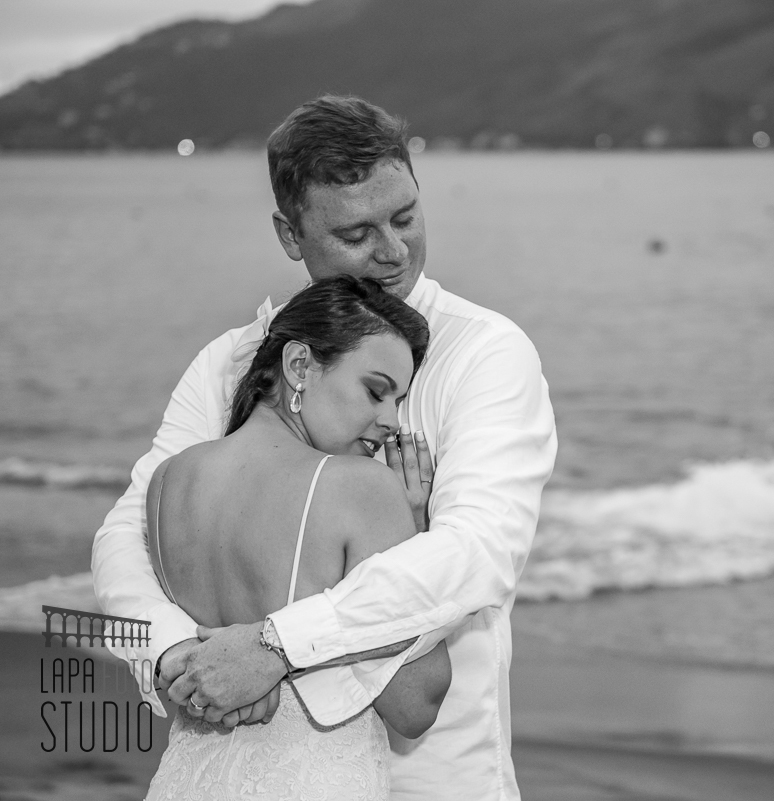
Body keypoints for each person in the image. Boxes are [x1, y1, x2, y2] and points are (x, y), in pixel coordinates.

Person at [92, 95, 557, 799]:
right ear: (290, 233)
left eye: (405, 217)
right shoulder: (231, 362)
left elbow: (480, 548)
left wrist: (274, 644)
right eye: (357, 231)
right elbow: (126, 531)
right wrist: (172, 655)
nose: (394, 251)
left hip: (434, 775)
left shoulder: (483, 353)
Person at [145, 275, 451, 799]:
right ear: (299, 366)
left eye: (399, 400)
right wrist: (415, 527)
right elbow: (414, 705)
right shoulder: (359, 489)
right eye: (376, 391)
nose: (391, 421)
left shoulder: (169, 479)